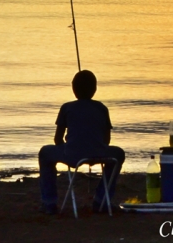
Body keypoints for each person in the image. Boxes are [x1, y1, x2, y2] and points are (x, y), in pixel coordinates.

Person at [38, 69, 125, 215]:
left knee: (45, 153)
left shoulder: (66, 108)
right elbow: (107, 140)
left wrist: (67, 147)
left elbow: (57, 139)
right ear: (95, 89)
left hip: (72, 155)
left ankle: (49, 203)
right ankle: (101, 200)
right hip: (99, 152)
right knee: (118, 154)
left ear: (73, 89)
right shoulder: (102, 108)